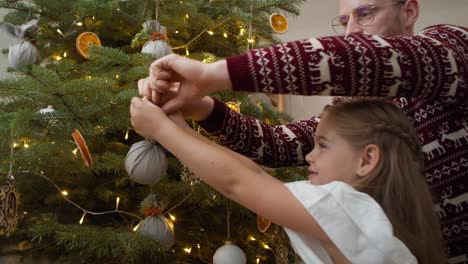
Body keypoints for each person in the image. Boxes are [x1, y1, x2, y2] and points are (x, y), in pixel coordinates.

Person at [140, 0, 468, 258]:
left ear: (409, 10)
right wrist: (201, 108)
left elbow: (375, 59)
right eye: (344, 20)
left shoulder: (452, 48)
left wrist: (211, 76)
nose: (351, 31)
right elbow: (276, 145)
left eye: (365, 13)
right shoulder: (353, 104)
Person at [130, 97, 444, 263]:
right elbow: (253, 174)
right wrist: (178, 125)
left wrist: (161, 131)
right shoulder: (378, 218)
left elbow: (238, 183)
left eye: (322, 145)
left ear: (367, 160)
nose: (309, 156)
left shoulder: (352, 209)